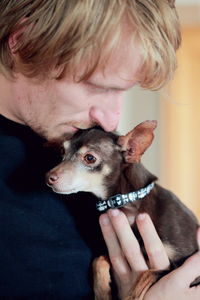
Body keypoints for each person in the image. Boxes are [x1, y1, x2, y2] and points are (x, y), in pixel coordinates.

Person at [0, 0, 199, 299]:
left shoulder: (99, 164)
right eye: (99, 87)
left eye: (124, 90)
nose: (111, 119)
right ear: (24, 42)